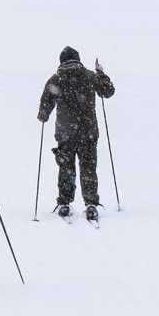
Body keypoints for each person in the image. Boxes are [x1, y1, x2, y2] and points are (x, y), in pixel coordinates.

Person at [36, 47, 115, 223]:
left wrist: (43, 115)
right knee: (88, 168)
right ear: (78, 60)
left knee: (66, 168)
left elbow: (43, 111)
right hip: (88, 132)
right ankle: (91, 204)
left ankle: (64, 203)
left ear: (61, 61)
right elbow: (108, 91)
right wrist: (101, 73)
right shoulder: (89, 76)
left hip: (66, 133)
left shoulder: (56, 79)